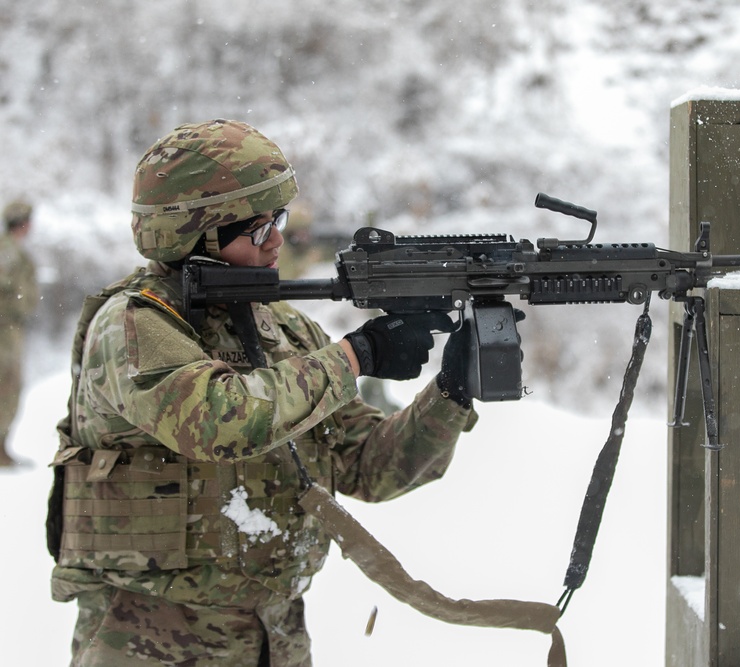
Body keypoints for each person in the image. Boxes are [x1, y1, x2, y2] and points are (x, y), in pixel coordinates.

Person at [46, 119, 477, 665]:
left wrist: (452, 392)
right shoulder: (133, 324)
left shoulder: (284, 330)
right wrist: (357, 355)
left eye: (279, 219)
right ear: (192, 234)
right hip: (149, 640)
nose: (277, 240)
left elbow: (369, 466)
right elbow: (218, 418)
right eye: (257, 228)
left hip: (276, 639)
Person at [0, 198, 38, 468]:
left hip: (10, 328)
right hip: (5, 330)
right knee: (8, 386)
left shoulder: (11, 251)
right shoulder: (9, 252)